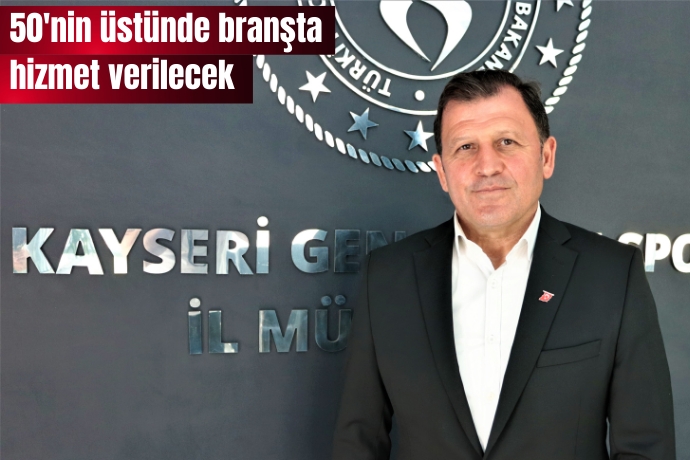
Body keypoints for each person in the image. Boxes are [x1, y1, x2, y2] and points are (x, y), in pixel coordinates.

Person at [331, 70, 675, 460]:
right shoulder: (387, 277)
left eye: (506, 142)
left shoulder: (612, 274)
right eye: (465, 147)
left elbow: (646, 448)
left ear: (546, 157)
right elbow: (357, 442)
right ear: (442, 171)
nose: (487, 165)